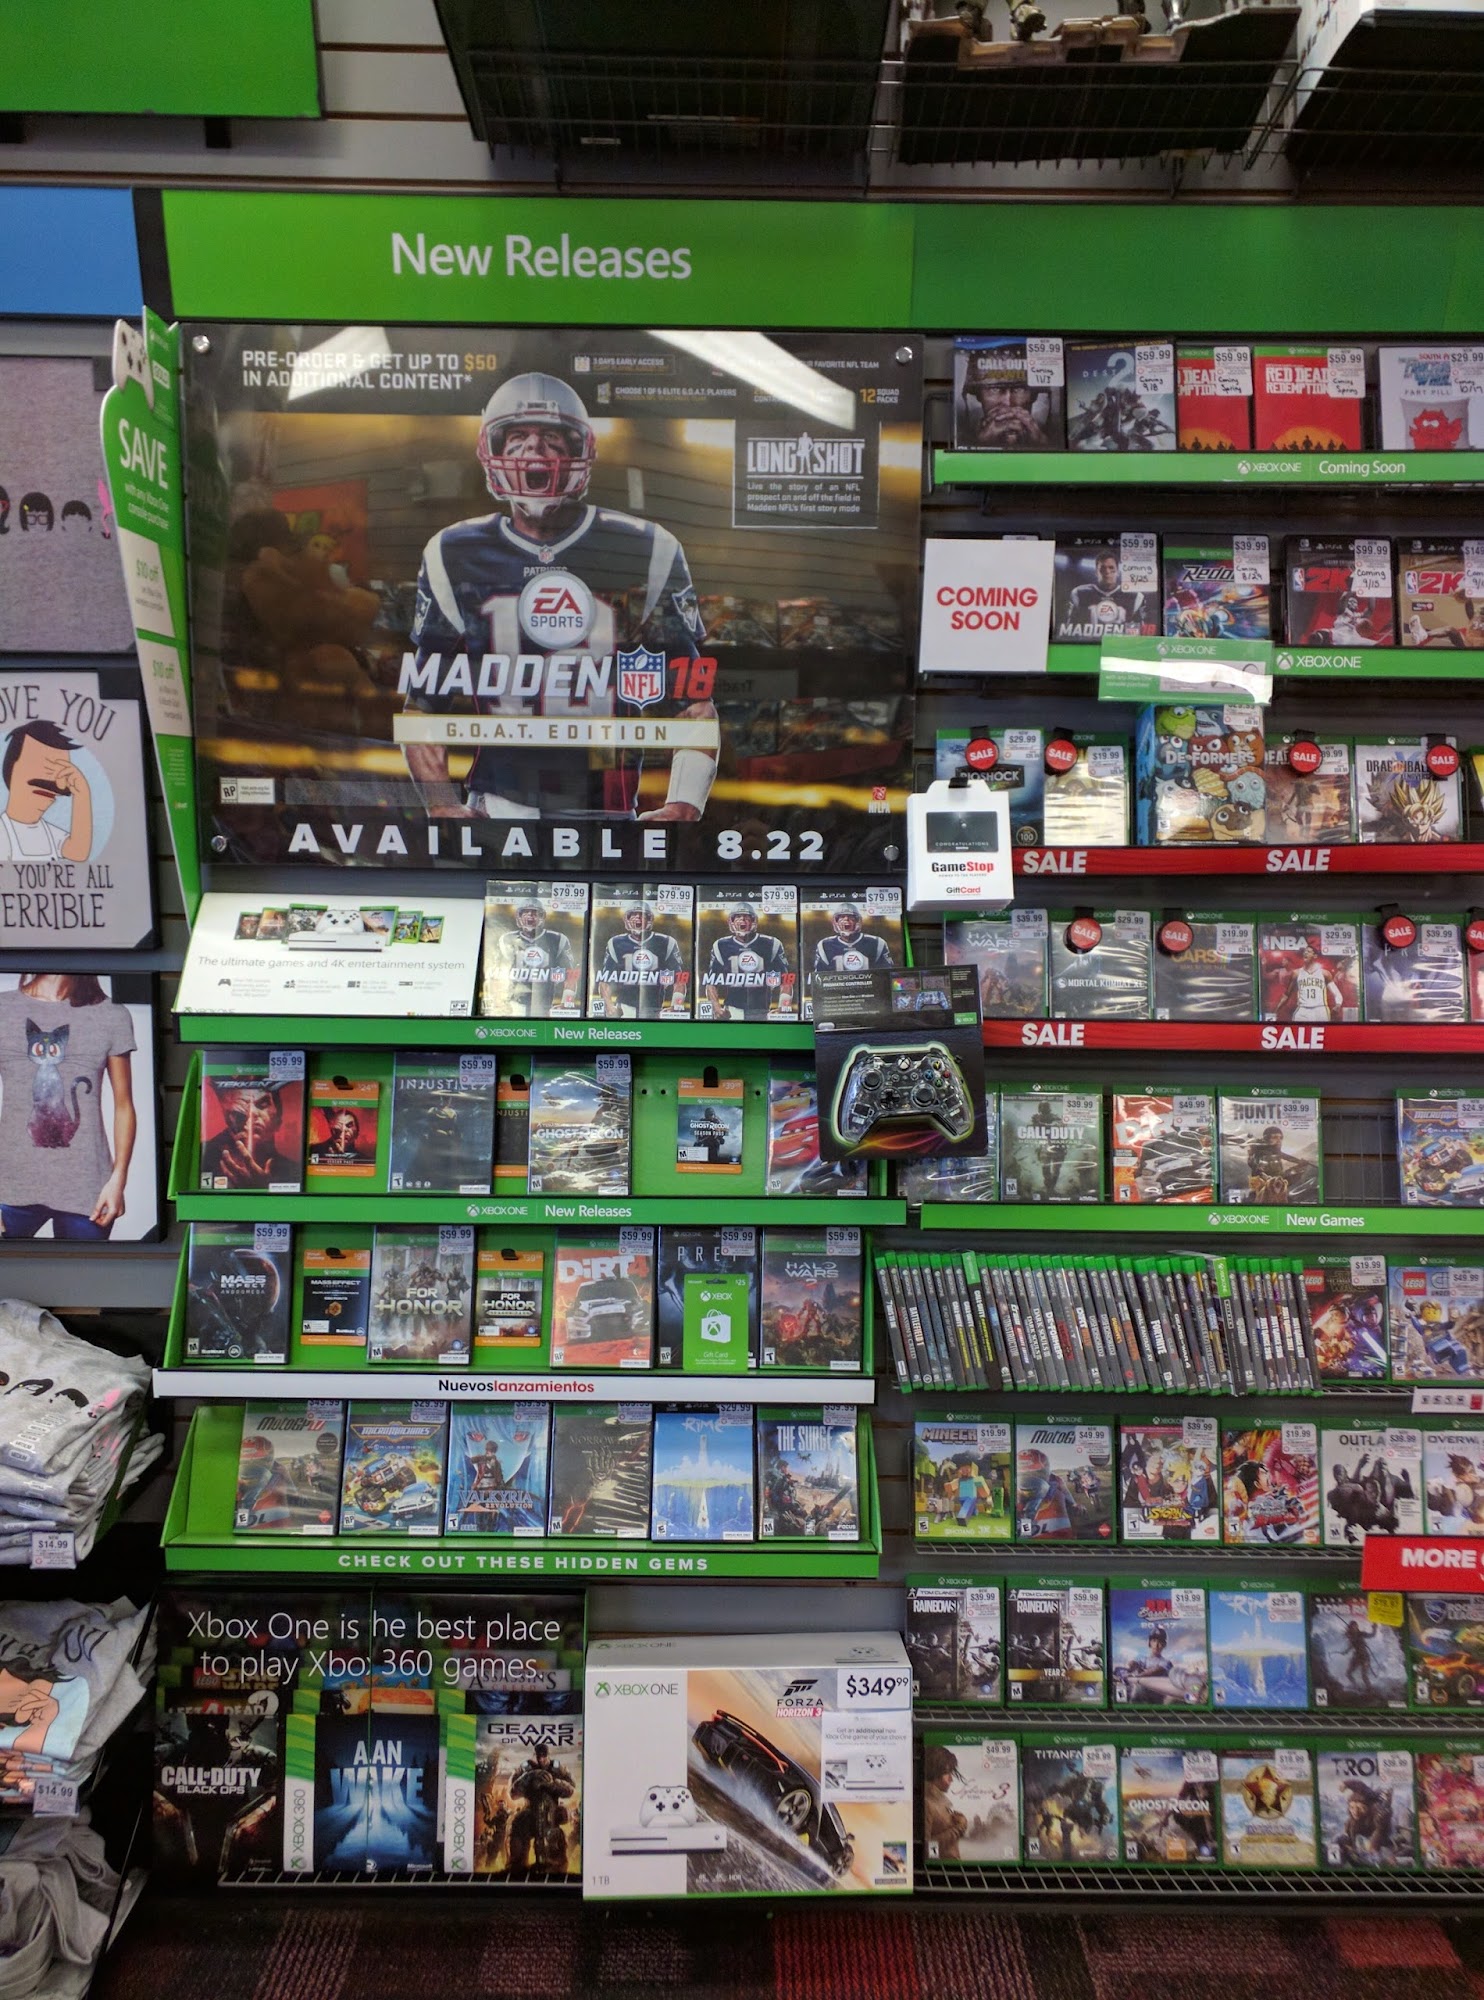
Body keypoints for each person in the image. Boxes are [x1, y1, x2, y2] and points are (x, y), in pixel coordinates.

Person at [400, 371, 719, 827]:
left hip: (605, 806)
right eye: (517, 437)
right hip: (500, 803)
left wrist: (685, 802)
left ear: (580, 449)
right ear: (491, 448)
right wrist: (441, 803)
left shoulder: (646, 548)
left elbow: (693, 697)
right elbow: (422, 703)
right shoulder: (453, 552)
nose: (534, 450)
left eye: (552, 438)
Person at [0, 974, 137, 1241]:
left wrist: (117, 1180)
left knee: (82, 1269)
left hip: (89, 1188)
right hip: (9, 1186)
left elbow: (124, 1105)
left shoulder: (111, 1014)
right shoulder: (4, 1008)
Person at [0, 719, 92, 864]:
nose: (53, 780)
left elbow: (78, 853)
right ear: (11, 769)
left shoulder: (47, 832)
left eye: (61, 770)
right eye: (39, 763)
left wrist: (82, 794)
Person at [200, 1079, 300, 1189]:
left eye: (263, 1104)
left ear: (278, 1120)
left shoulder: (295, 1172)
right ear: (228, 1119)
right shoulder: (205, 1157)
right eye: (239, 1111)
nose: (251, 1114)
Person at [703, 902, 792, 1021]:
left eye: (746, 917)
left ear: (753, 921)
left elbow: (786, 980)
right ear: (731, 921)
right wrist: (716, 1008)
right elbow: (711, 982)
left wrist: (783, 1006)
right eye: (738, 917)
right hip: (732, 1009)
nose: (742, 920)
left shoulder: (771, 944)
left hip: (762, 1010)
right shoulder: (720, 945)